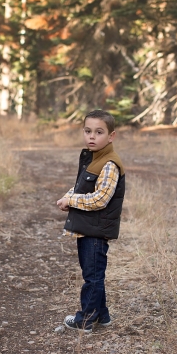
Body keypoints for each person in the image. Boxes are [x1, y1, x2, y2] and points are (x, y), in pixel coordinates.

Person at [56, 109, 125, 333]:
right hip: (89, 228)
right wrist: (68, 197)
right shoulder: (93, 158)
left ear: (111, 136)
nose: (92, 137)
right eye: (88, 131)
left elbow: (101, 198)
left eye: (99, 132)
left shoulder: (109, 164)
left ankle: (85, 320)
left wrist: (73, 200)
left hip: (96, 230)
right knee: (94, 273)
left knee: (92, 277)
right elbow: (83, 187)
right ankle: (102, 315)